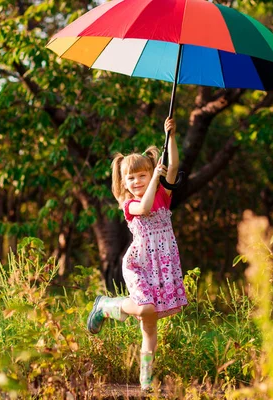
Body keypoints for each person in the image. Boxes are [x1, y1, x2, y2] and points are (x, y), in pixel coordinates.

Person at [86, 117, 188, 392]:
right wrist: (155, 178)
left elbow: (174, 166)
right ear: (124, 182)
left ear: (151, 173)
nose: (137, 181)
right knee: (145, 308)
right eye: (131, 178)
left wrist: (172, 137)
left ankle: (146, 379)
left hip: (163, 263)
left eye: (143, 175)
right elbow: (143, 209)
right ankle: (106, 306)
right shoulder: (128, 202)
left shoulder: (162, 196)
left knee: (150, 324)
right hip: (140, 264)